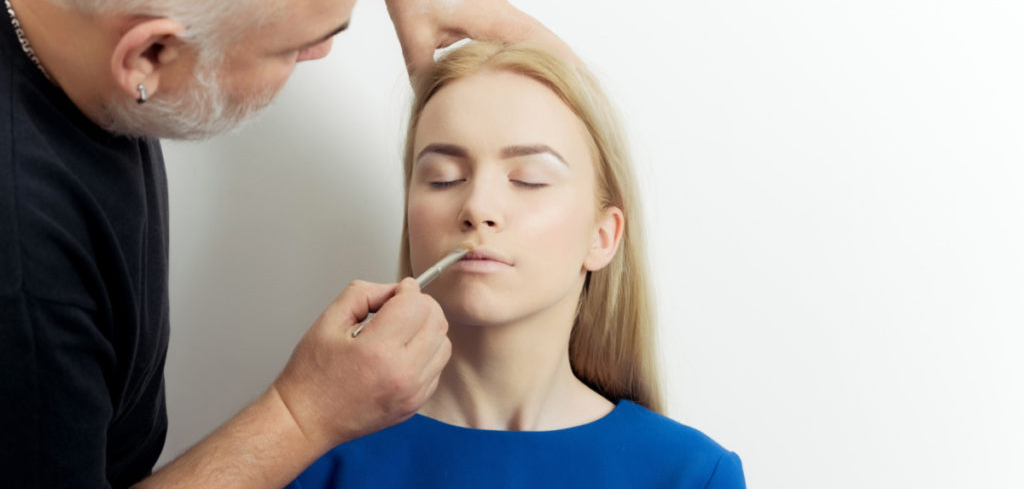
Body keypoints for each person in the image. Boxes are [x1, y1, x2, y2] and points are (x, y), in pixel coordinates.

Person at [0, 0, 565, 487]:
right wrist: (303, 415)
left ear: (607, 233)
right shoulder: (27, 271)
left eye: (531, 180)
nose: (318, 51)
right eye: (293, 47)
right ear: (149, 56)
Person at [288, 42, 746, 488]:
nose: (478, 207)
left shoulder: (690, 474)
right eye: (444, 178)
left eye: (529, 179)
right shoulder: (314, 454)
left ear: (602, 237)